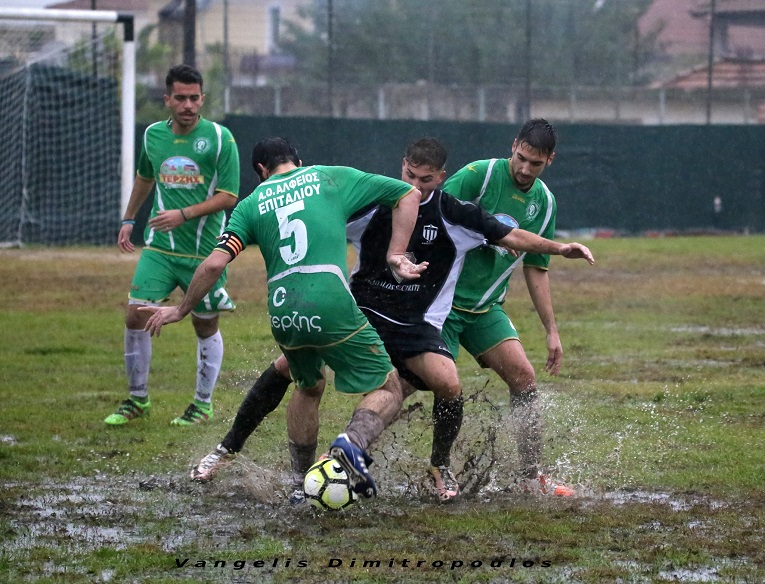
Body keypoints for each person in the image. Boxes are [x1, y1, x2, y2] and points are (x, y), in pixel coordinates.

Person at [187, 138, 594, 503]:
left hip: (415, 323)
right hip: (362, 309)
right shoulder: (374, 203)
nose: (417, 187)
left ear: (442, 177)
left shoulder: (452, 211)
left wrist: (559, 248)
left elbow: (512, 237)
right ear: (401, 167)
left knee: (448, 382)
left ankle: (437, 464)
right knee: (288, 369)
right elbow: (314, 219)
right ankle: (227, 448)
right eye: (410, 176)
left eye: (427, 179)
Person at [142, 137, 426, 499]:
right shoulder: (327, 177)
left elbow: (215, 262)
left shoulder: (250, 205)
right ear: (298, 160)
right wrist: (396, 253)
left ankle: (300, 482)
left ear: (261, 171)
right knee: (387, 388)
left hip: (284, 310)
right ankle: (348, 447)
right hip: (330, 301)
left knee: (308, 386)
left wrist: (180, 309)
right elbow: (408, 194)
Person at [440, 117, 576, 495]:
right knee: (432, 384)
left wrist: (552, 331)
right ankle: (362, 455)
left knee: (524, 378)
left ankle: (530, 479)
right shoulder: (478, 176)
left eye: (534, 163)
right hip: (442, 306)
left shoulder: (545, 203)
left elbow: (536, 269)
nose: (524, 168)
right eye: (520, 158)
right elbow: (435, 217)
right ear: (512, 146)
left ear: (550, 160)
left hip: (485, 309)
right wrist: (489, 237)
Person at [104, 64, 240, 427]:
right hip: (160, 248)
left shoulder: (220, 138)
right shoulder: (152, 136)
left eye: (194, 98)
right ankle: (137, 400)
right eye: (180, 98)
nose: (188, 105)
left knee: (203, 324)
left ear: (202, 99)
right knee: (135, 314)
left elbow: (229, 196)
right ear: (167, 99)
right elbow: (146, 176)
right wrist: (129, 219)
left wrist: (184, 213)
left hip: (206, 251)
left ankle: (202, 404)